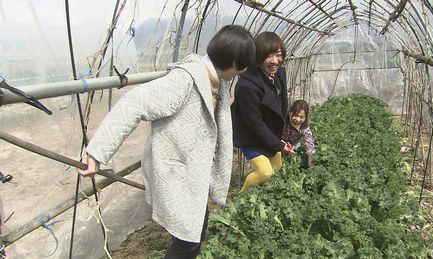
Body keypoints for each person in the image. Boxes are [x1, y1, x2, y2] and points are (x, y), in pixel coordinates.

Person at [76, 25, 255, 259]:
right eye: (242, 66)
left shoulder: (215, 79)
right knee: (188, 241)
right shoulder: (185, 79)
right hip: (175, 172)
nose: (242, 71)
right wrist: (97, 153)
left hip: (191, 172)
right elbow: (134, 103)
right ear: (232, 61)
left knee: (196, 230)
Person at [231, 31, 290, 192]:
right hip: (250, 136)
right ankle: (242, 198)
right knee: (265, 173)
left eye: (278, 55)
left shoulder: (279, 74)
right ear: (257, 56)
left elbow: (282, 103)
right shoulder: (246, 86)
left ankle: (261, 195)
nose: (274, 61)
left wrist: (280, 139)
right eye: (268, 56)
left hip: (268, 134)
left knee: (277, 166)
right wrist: (278, 144)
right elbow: (254, 124)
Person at [282, 100, 316, 168]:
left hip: (292, 147)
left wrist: (311, 164)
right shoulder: (282, 121)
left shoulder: (305, 129)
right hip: (277, 143)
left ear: (305, 117)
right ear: (290, 112)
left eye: (301, 117)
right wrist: (281, 144)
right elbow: (272, 134)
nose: (297, 119)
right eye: (295, 115)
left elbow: (310, 145)